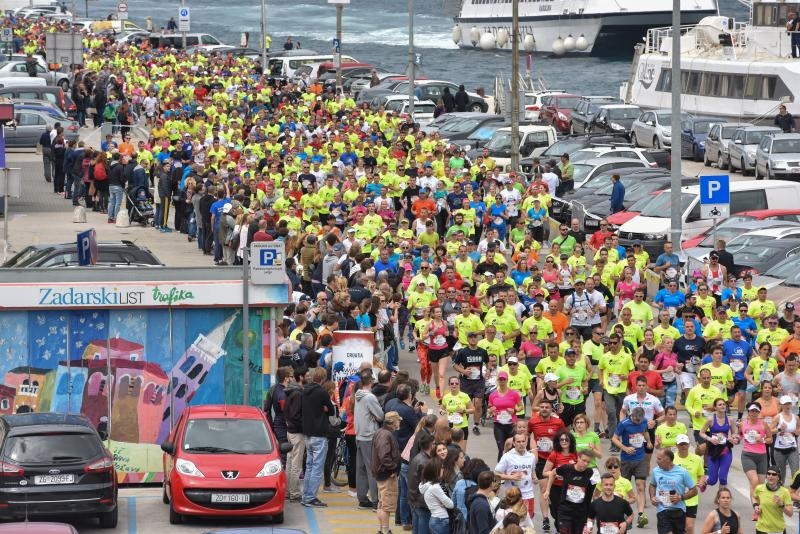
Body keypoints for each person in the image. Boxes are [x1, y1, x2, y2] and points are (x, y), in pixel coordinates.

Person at [301, 367, 336, 508]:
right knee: (317, 467)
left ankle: (305, 495)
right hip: (319, 434)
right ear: (323, 379)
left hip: (308, 433)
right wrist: (324, 409)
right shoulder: (322, 393)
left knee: (309, 466)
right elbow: (331, 410)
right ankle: (310, 497)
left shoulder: (304, 391)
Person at [611, 406, 651, 528]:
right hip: (626, 461)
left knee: (640, 485)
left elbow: (645, 431)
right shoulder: (624, 424)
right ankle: (622, 513)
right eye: (635, 420)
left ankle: (640, 514)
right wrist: (625, 448)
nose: (637, 422)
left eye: (639, 420)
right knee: (624, 488)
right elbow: (614, 438)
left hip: (640, 459)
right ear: (632, 415)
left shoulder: (644, 421)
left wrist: (648, 441)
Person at [543, 450, 596, 534]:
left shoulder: (590, 472)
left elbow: (592, 492)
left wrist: (589, 519)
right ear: (578, 458)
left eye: (588, 462)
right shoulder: (567, 468)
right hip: (565, 511)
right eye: (584, 460)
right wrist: (547, 490)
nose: (585, 464)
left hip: (580, 513)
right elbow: (552, 473)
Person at [649, 449, 698, 534]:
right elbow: (652, 485)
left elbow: (694, 490)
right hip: (662, 510)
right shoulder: (655, 471)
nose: (656, 461)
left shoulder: (682, 472)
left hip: (679, 510)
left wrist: (680, 497)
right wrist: (652, 497)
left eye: (659, 459)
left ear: (668, 460)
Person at [355, 369, 385, 509]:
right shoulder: (370, 397)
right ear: (371, 381)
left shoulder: (358, 395)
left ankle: (362, 498)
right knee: (372, 469)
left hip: (359, 435)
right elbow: (380, 415)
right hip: (369, 436)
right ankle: (375, 500)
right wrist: (375, 416)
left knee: (360, 468)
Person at [495, 432, 538, 520]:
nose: (521, 444)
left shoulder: (531, 457)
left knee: (527, 522)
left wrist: (535, 478)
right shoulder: (507, 456)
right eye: (518, 442)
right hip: (513, 495)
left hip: (528, 495)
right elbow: (496, 474)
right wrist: (511, 477)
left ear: (526, 443)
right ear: (514, 443)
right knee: (513, 523)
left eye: (523, 441)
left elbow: (532, 471)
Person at [372, 411, 402, 534]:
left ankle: (382, 529)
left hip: (381, 474)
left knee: (382, 503)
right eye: (398, 420)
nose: (399, 422)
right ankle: (385, 530)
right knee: (387, 505)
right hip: (386, 475)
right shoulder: (386, 435)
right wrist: (393, 468)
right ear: (393, 422)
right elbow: (384, 456)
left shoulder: (381, 432)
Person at [752, 466, 793, 534]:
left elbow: (790, 513)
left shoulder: (784, 492)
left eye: (774, 474)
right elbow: (754, 497)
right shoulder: (759, 488)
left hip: (777, 530)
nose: (770, 476)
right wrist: (756, 506)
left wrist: (781, 505)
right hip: (761, 528)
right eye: (768, 474)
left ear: (778, 477)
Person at [419, 457, 454, 534]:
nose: (443, 469)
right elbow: (450, 505)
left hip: (434, 519)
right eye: (441, 467)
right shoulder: (435, 487)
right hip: (441, 520)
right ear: (436, 470)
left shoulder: (425, 485)